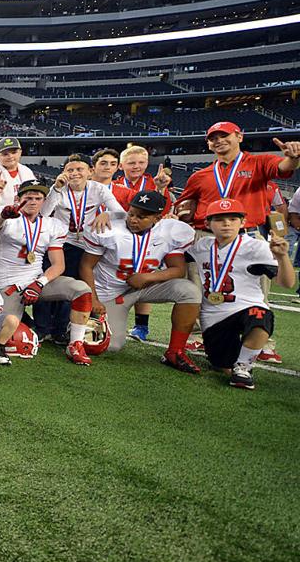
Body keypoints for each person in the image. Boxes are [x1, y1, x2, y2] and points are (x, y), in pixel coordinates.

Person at [175, 124, 300, 364]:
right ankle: (202, 334)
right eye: (213, 138)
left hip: (247, 236)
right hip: (206, 237)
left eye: (225, 136)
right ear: (208, 144)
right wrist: (184, 211)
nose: (219, 141)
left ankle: (262, 342)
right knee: (203, 289)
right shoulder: (199, 176)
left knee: (257, 292)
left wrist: (293, 159)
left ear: (239, 137)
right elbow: (187, 204)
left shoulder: (258, 164)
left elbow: (283, 168)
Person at [78, 190, 202, 372]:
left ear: (157, 219)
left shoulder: (169, 232)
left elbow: (178, 269)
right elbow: (86, 266)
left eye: (141, 217)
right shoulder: (110, 229)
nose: (133, 220)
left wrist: (148, 277)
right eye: (131, 214)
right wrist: (93, 299)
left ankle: (175, 352)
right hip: (110, 292)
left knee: (189, 291)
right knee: (110, 345)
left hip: (144, 286)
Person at [184, 198, 295, 389]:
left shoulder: (255, 247)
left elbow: (287, 283)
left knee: (261, 316)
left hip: (246, 306)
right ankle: (237, 363)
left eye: (233, 219)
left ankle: (244, 366)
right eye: (219, 219)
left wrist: (283, 257)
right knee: (222, 365)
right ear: (208, 223)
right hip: (214, 316)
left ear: (243, 222)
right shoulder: (202, 246)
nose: (226, 223)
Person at [0, 180, 94, 366]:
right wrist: (3, 217)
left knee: (81, 288)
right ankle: (29, 323)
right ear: (18, 198)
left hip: (37, 283)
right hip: (10, 285)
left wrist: (39, 283)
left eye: (38, 198)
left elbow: (58, 265)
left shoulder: (52, 225)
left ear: (44, 201)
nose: (33, 202)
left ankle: (75, 344)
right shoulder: (4, 213)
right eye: (28, 198)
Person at [35, 154, 118, 344]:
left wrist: (106, 213)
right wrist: (55, 189)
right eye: (70, 169)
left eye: (79, 169)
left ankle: (60, 330)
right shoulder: (59, 189)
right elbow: (43, 213)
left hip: (84, 245)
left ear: (90, 171)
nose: (74, 173)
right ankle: (41, 328)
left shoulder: (99, 189)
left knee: (72, 287)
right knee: (47, 282)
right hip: (58, 243)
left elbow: (120, 211)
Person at [0, 137, 36, 209]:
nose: (10, 156)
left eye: (14, 152)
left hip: (24, 214)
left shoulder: (27, 171)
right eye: (5, 154)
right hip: (2, 215)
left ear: (20, 152)